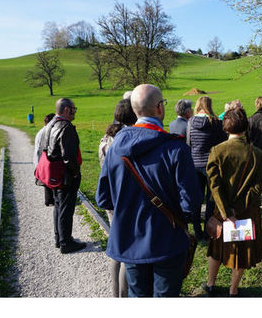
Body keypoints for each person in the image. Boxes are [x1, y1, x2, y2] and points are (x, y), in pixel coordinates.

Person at [96, 84, 203, 297]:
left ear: (135, 111)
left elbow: (103, 199)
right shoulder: (175, 148)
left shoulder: (115, 147)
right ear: (160, 108)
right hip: (167, 241)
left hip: (129, 240)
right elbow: (191, 202)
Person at [203, 107, 262, 297]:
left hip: (222, 212)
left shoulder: (217, 151)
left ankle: (211, 284)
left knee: (216, 248)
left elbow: (214, 186)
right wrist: (237, 210)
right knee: (242, 252)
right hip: (246, 212)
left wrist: (225, 212)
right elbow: (257, 189)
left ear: (225, 128)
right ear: (246, 127)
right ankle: (233, 289)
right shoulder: (257, 153)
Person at [98, 98, 137, 298]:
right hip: (125, 199)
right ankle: (123, 294)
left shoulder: (106, 137)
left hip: (112, 198)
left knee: (116, 246)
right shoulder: (126, 138)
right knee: (126, 250)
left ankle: (116, 293)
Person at [43, 98, 85, 254]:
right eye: (74, 109)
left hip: (53, 172)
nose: (75, 112)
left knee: (59, 205)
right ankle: (66, 242)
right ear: (67, 109)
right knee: (66, 208)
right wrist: (75, 173)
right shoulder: (66, 127)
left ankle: (59, 238)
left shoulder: (51, 124)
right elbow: (68, 156)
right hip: (64, 174)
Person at [187, 96, 227, 240]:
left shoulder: (190, 122)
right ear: (210, 105)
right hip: (211, 164)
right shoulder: (216, 122)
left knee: (197, 198)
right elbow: (222, 142)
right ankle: (209, 229)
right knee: (211, 198)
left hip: (195, 164)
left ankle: (197, 230)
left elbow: (188, 143)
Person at [34, 112, 56, 206]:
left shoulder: (43, 131)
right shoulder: (44, 133)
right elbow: (38, 150)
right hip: (43, 161)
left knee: (48, 180)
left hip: (42, 161)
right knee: (47, 181)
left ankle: (50, 200)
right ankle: (49, 201)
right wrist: (38, 165)